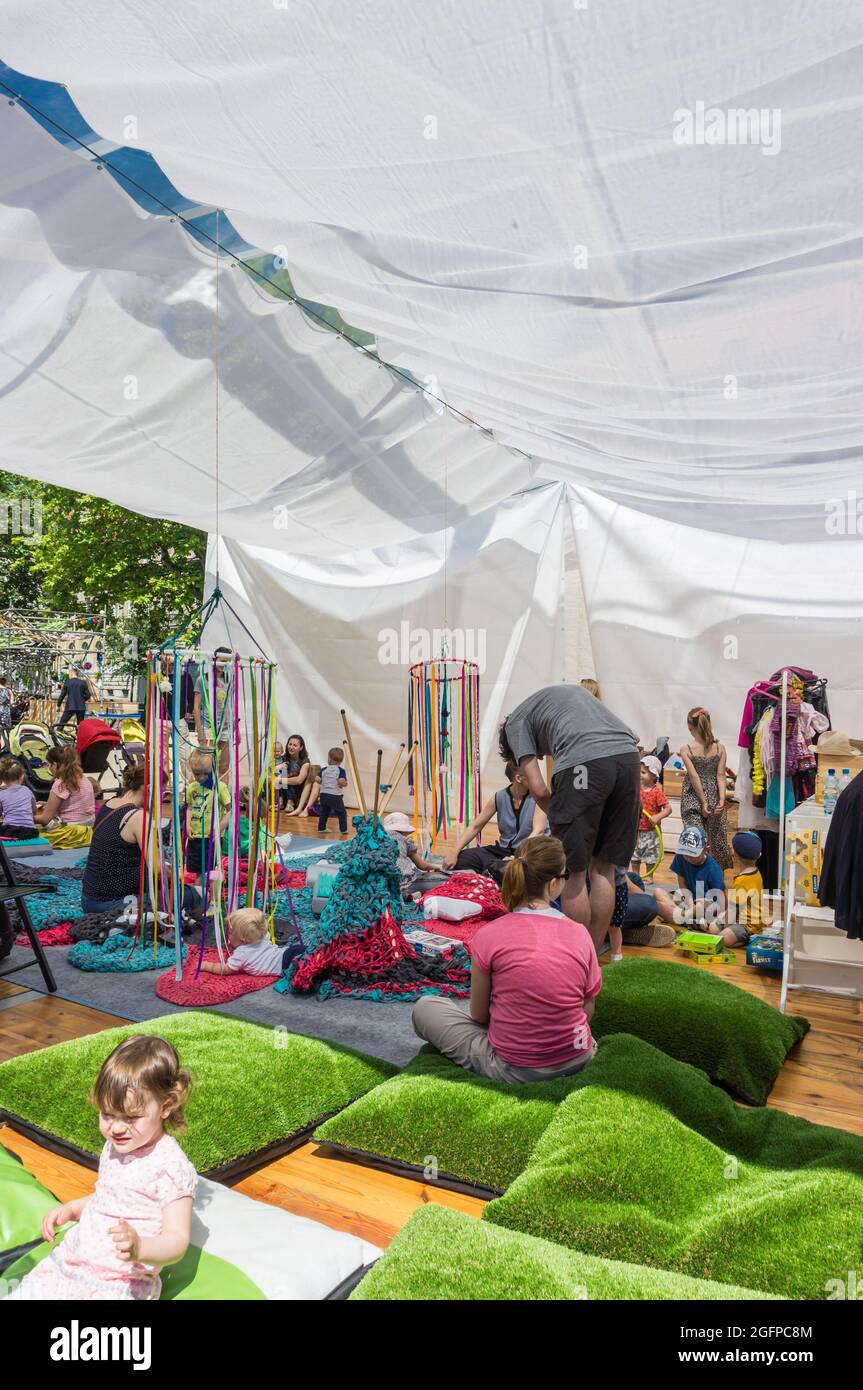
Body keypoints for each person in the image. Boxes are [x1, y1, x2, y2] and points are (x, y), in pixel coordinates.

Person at [5, 1035, 196, 1301]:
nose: (116, 1128)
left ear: (166, 1106)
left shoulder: (169, 1166)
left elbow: (177, 1239)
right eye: (107, 1114)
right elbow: (109, 1197)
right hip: (73, 1263)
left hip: (118, 1281)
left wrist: (141, 1247)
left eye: (131, 1117)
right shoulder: (117, 1146)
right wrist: (72, 1209)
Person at [412, 836, 601, 1083]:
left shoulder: (489, 934)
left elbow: (479, 1016)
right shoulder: (580, 932)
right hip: (579, 1058)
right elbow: (587, 1006)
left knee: (425, 1008)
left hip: (514, 1069)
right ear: (554, 884)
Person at [498, 683, 640, 951]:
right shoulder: (563, 699)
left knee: (573, 873)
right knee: (604, 869)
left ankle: (574, 959)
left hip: (584, 766)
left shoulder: (515, 723)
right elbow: (633, 735)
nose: (540, 755)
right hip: (628, 760)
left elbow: (538, 789)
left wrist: (566, 818)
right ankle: (591, 961)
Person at [82, 765, 199, 916]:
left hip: (89, 900)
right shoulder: (139, 817)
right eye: (161, 793)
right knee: (200, 894)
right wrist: (175, 876)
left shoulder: (109, 804)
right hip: (112, 904)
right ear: (149, 789)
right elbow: (157, 870)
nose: (161, 800)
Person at [442, 760, 548, 880]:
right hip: (502, 851)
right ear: (519, 778)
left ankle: (492, 872)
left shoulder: (539, 798)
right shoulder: (500, 796)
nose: (537, 777)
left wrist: (517, 857)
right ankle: (491, 871)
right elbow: (475, 826)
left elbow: (538, 832)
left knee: (506, 870)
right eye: (532, 774)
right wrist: (454, 852)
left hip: (529, 853)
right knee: (461, 860)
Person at [680, 707, 733, 869]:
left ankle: (694, 878)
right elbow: (721, 775)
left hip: (692, 798)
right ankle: (717, 879)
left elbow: (694, 777)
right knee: (718, 840)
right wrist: (722, 799)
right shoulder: (720, 748)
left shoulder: (686, 749)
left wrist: (702, 802)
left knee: (693, 839)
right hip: (715, 798)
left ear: (690, 727)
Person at [199, 906, 303, 977]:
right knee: (313, 956)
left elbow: (226, 969)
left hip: (286, 964)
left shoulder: (242, 953)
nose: (228, 935)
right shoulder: (262, 937)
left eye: (230, 932)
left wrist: (206, 965)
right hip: (289, 953)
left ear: (243, 938)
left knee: (308, 967)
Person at [184, 748, 230, 888]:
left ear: (214, 769)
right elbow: (190, 807)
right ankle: (199, 899)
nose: (201, 777)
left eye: (206, 773)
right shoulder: (192, 787)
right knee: (198, 871)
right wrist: (187, 826)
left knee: (212, 870)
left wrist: (219, 827)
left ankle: (213, 901)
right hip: (196, 837)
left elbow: (230, 811)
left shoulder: (220, 788)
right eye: (197, 774)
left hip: (212, 838)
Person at [714, 830, 764, 949]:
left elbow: (732, 912)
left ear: (735, 854)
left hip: (747, 925)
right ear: (759, 855)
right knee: (713, 928)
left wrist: (726, 928)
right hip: (743, 918)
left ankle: (746, 939)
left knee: (721, 939)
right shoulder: (757, 873)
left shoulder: (741, 881)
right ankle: (739, 937)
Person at [669, 824, 726, 925]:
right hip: (689, 901)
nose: (688, 858)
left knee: (702, 904)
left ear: (706, 849)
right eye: (685, 854)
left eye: (693, 854)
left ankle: (686, 918)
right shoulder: (680, 857)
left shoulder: (714, 869)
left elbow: (720, 899)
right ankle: (693, 919)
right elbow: (682, 885)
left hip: (707, 905)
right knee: (658, 893)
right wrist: (691, 907)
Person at [383, 811, 447, 894]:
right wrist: (438, 867)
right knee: (443, 882)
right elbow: (422, 866)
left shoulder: (376, 839)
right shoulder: (406, 840)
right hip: (402, 885)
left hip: (381, 885)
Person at [631, 755, 671, 879]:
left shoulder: (656, 792)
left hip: (651, 831)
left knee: (651, 855)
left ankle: (649, 876)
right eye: (639, 771)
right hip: (635, 829)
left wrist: (658, 817)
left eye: (643, 772)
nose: (640, 774)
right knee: (634, 854)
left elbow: (668, 809)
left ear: (654, 775)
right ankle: (635, 874)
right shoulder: (635, 789)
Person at [193, 648, 232, 776]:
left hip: (225, 727)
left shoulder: (229, 680)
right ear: (214, 660)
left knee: (224, 766)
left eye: (228, 662)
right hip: (208, 727)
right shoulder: (202, 680)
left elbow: (230, 705)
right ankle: (208, 794)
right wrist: (200, 731)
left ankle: (222, 795)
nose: (224, 664)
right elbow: (196, 707)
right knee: (206, 765)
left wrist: (235, 727)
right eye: (222, 661)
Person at [34, 746, 96, 827]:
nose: (49, 768)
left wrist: (23, 818)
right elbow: (72, 804)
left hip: (70, 829)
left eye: (49, 765)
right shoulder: (83, 777)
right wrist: (48, 804)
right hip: (88, 825)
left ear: (55, 765)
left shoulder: (60, 784)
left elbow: (45, 819)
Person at [0, 758, 38, 839]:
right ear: (22, 776)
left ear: (2, 779)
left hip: (9, 831)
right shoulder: (27, 791)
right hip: (30, 831)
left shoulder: (1, 794)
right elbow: (34, 811)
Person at [317, 747, 348, 834]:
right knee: (341, 812)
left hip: (323, 795)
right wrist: (344, 783)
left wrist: (321, 780)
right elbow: (342, 781)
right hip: (334, 795)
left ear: (329, 758)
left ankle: (321, 828)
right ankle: (343, 829)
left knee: (324, 812)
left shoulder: (324, 769)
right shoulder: (341, 770)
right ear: (341, 761)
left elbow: (317, 779)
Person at [281, 734, 311, 812]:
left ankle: (290, 802)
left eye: (295, 745)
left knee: (291, 776)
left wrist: (279, 780)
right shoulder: (284, 757)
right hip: (284, 788)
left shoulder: (305, 761)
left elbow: (299, 780)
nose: (291, 747)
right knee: (280, 769)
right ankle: (280, 800)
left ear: (301, 747)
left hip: (297, 791)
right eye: (290, 744)